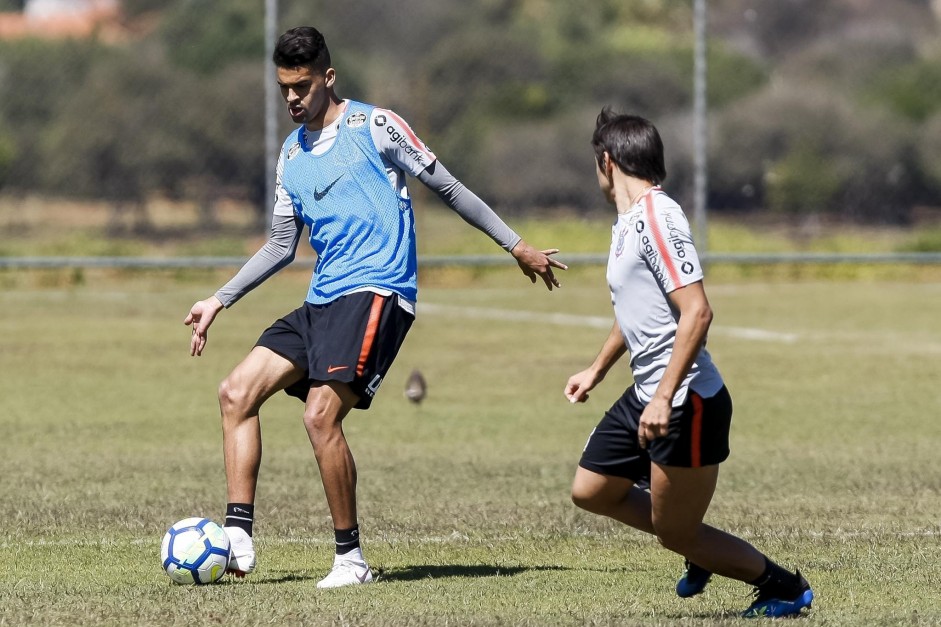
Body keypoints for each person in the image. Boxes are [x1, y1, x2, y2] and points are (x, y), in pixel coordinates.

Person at [184, 26, 566, 589]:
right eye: (284, 88)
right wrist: (219, 300)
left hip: (379, 291)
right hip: (322, 299)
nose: (292, 98)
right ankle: (238, 537)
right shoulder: (291, 156)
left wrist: (517, 245)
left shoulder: (376, 127)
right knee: (235, 393)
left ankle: (351, 561)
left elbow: (452, 188)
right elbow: (279, 246)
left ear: (328, 78)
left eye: (302, 86)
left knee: (319, 416)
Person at [563, 108, 813, 618]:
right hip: (650, 393)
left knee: (676, 532)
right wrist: (597, 369)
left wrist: (661, 397)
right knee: (590, 489)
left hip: (686, 400)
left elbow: (697, 312)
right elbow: (638, 310)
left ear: (606, 162)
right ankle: (696, 545)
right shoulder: (627, 223)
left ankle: (783, 586)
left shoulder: (658, 217)